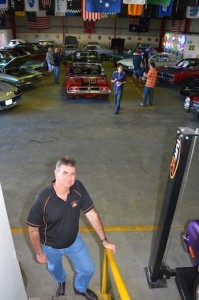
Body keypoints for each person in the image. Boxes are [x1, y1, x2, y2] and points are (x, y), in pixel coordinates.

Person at [26, 156, 115, 299]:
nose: (69, 178)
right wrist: (39, 253)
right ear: (56, 173)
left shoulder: (78, 188)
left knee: (88, 269)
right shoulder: (42, 199)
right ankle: (60, 281)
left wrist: (104, 240)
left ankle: (80, 288)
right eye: (65, 173)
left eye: (73, 174)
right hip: (50, 247)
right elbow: (33, 229)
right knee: (55, 270)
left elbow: (92, 214)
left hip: (74, 241)